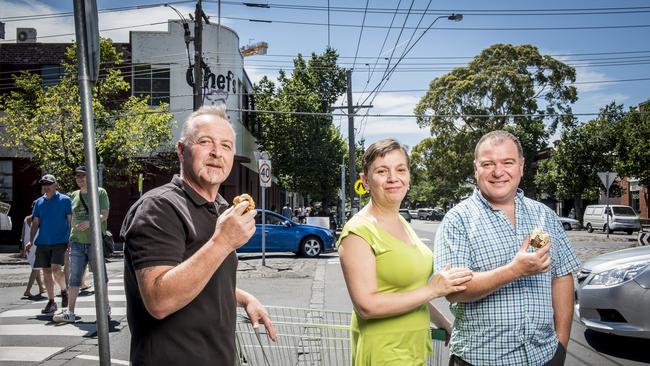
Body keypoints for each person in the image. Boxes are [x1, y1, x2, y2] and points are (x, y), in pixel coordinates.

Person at [121, 104, 276, 366]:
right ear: (182, 150)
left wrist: (244, 298)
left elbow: (204, 280)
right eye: (206, 142)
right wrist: (222, 241)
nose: (217, 152)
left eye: (226, 146)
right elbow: (159, 300)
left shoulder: (221, 209)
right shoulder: (159, 207)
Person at [434, 130, 581, 366]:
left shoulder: (544, 215)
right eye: (488, 164)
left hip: (544, 357)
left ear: (521, 166)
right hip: (479, 360)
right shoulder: (457, 220)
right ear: (476, 169)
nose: (498, 172)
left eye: (507, 162)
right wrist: (514, 270)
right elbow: (454, 290)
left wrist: (561, 344)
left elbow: (561, 275)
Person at [337, 138, 473, 366]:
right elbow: (367, 306)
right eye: (382, 171)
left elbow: (408, 292)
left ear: (408, 176)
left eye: (400, 169)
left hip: (413, 349)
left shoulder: (402, 222)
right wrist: (433, 289)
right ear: (366, 181)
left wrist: (443, 323)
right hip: (384, 353)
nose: (393, 178)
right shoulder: (358, 231)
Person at [53, 165, 110, 323]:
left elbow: (104, 214)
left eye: (82, 176)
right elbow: (70, 219)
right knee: (74, 278)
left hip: (94, 242)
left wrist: (90, 222)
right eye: (77, 176)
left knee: (100, 277)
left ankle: (105, 308)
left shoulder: (99, 192)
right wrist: (69, 239)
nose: (79, 179)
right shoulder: (74, 195)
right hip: (77, 242)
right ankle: (70, 312)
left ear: (89, 176)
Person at [24, 174, 72, 314]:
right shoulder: (39, 202)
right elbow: (35, 223)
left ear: (55, 184)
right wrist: (30, 241)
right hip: (43, 242)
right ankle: (51, 302)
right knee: (46, 272)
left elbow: (70, 221)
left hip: (60, 241)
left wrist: (71, 238)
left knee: (56, 269)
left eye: (49, 183)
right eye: (44, 184)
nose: (46, 186)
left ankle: (64, 290)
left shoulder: (65, 200)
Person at [21, 201, 46, 298]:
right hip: (36, 245)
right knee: (36, 268)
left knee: (36, 267)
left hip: (28, 245)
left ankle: (41, 287)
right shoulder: (40, 219)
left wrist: (22, 247)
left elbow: (23, 234)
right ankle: (27, 290)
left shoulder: (27, 218)